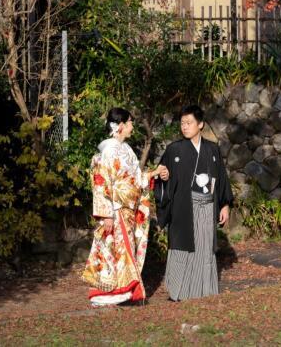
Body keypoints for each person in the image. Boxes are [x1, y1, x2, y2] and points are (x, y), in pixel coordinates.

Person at [81, 107, 168, 306]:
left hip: (129, 207)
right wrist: (106, 214)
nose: (131, 126)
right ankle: (114, 293)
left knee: (122, 250)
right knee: (118, 250)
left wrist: (153, 173)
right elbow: (101, 182)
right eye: (129, 123)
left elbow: (135, 179)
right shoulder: (108, 150)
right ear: (120, 126)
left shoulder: (127, 150)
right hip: (116, 207)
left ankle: (121, 292)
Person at [156, 104, 234, 301]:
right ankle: (179, 291)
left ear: (200, 124)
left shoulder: (212, 149)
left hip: (207, 206)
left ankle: (204, 289)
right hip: (183, 207)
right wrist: (163, 176)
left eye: (189, 122)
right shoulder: (174, 149)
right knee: (182, 246)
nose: (185, 126)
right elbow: (161, 176)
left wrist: (224, 204)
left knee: (205, 248)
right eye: (182, 123)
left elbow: (221, 178)